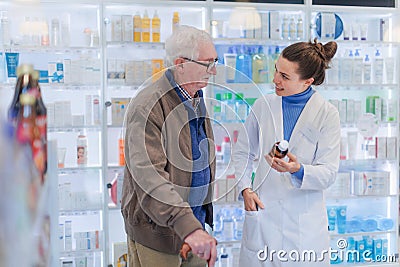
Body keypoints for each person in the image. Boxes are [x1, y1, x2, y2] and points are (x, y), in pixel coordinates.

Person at [233, 39, 340, 267]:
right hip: (263, 219)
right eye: (276, 70)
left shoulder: (326, 114)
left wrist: (298, 170)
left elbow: (329, 173)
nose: (275, 80)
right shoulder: (264, 105)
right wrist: (245, 188)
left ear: (307, 81)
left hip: (304, 228)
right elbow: (243, 151)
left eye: (285, 76)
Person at [121, 25, 218, 267]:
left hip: (194, 228)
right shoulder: (148, 107)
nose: (214, 71)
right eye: (207, 63)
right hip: (160, 234)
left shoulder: (195, 97)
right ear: (180, 63)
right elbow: (150, 179)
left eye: (215, 62)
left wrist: (195, 225)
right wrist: (187, 226)